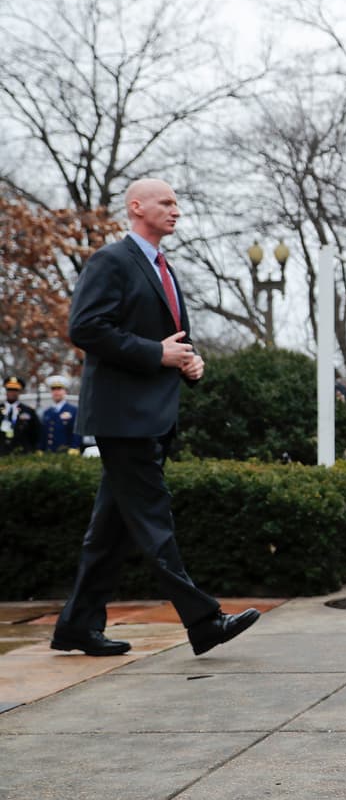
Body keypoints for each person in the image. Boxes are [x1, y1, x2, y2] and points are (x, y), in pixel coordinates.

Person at [51, 178, 259, 657]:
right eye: (166, 202)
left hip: (150, 416)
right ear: (136, 206)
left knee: (110, 532)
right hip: (123, 418)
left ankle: (76, 627)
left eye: (177, 203)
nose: (176, 210)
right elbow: (85, 327)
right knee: (153, 520)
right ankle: (204, 622)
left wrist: (189, 362)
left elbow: (170, 341)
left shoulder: (163, 267)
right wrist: (157, 354)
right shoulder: (111, 260)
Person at [40, 374, 82, 453]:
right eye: (53, 389)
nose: (56, 392)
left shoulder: (73, 410)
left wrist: (74, 447)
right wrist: (41, 448)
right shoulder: (47, 412)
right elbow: (44, 433)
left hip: (66, 453)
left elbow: (77, 432)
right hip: (48, 453)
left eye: (59, 389)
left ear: (65, 391)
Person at [1, 375, 40, 455]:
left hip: (22, 454)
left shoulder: (28, 411)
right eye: (10, 390)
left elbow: (36, 433)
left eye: (15, 390)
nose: (12, 392)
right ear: (6, 391)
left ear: (19, 392)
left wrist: (33, 450)